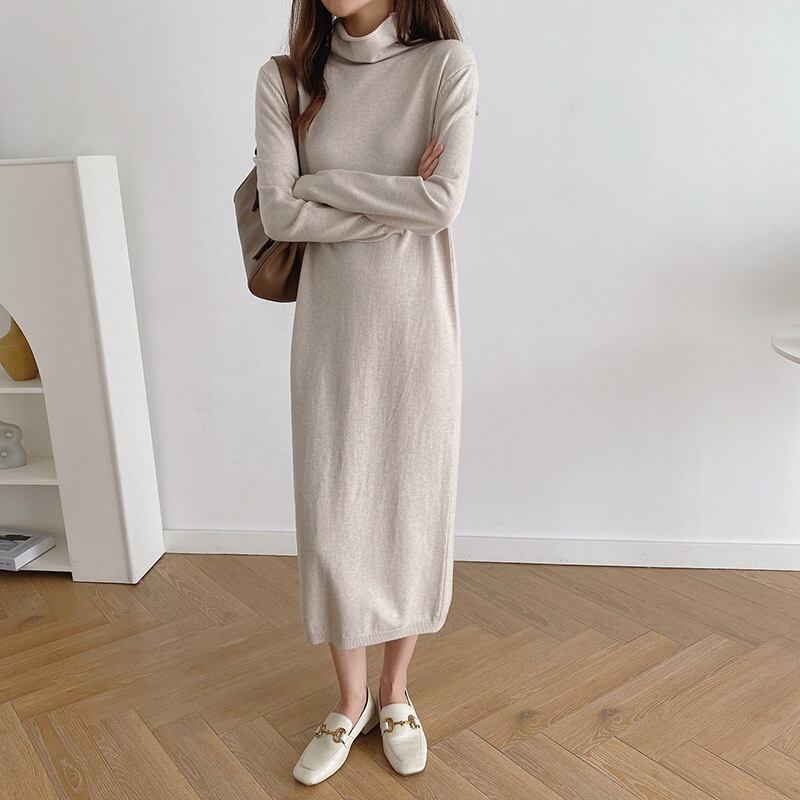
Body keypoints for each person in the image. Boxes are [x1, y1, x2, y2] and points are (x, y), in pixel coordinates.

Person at [253, 0, 479, 785]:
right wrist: (391, 200)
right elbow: (281, 213)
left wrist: (325, 184)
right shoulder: (286, 80)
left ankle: (396, 693)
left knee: (410, 508)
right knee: (334, 513)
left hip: (419, 330)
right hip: (331, 334)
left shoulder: (445, 67)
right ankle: (349, 702)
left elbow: (443, 202)